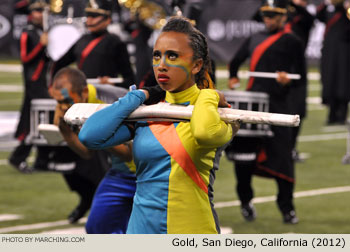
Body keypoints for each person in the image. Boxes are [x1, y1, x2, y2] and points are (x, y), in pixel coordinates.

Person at [79, 16, 237, 234]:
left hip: (191, 231)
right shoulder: (148, 111)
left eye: (172, 56)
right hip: (141, 231)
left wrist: (209, 95)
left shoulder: (215, 112)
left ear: (197, 65)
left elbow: (203, 133)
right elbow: (90, 136)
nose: (161, 65)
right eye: (157, 56)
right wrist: (141, 94)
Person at [226, 0, 306, 224]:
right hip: (252, 104)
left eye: (273, 15)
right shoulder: (254, 38)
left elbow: (301, 77)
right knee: (243, 159)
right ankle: (245, 202)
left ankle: (287, 208)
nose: (268, 19)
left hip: (279, 105)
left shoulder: (293, 41)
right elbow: (235, 61)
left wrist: (287, 80)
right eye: (266, 15)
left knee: (284, 158)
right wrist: (233, 76)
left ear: (283, 17)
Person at [50, 67, 136, 232]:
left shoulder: (112, 101)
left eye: (65, 101)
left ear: (83, 92)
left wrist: (95, 136)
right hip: (120, 173)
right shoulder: (70, 101)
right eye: (58, 102)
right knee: (96, 228)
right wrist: (66, 133)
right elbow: (86, 152)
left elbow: (128, 154)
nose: (62, 107)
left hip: (146, 175)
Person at [51, 0, 135, 89]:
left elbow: (129, 79)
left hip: (105, 95)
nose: (89, 20)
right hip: (83, 92)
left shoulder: (115, 42)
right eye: (88, 16)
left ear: (107, 20)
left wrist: (113, 84)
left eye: (94, 16)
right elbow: (59, 64)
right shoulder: (82, 39)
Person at [8, 0, 51, 173]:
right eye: (37, 11)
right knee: (32, 122)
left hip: (43, 82)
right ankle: (18, 157)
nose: (40, 14)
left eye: (43, 11)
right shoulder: (28, 33)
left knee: (44, 119)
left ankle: (42, 159)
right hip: (33, 83)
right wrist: (42, 44)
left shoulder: (44, 31)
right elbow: (25, 58)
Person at [286, 0, 315, 161]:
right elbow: (256, 17)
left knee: (298, 111)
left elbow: (309, 18)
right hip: (280, 65)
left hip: (298, 69)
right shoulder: (282, 12)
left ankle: (292, 148)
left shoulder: (305, 17)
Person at [316, 0, 350, 125]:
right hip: (330, 53)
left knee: (343, 84)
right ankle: (331, 115)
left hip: (345, 53)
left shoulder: (346, 11)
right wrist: (327, 3)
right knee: (330, 82)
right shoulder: (329, 11)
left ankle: (342, 115)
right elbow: (318, 16)